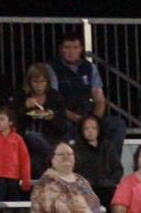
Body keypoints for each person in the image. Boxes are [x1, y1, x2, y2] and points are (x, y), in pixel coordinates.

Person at [47, 31, 126, 170]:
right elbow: (54, 101)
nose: (72, 51)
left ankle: (111, 166)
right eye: (67, 47)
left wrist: (94, 120)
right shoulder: (51, 68)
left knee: (117, 124)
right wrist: (75, 118)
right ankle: (68, 170)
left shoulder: (90, 68)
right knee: (63, 129)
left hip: (88, 117)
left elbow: (99, 99)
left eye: (76, 47)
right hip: (66, 117)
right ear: (60, 49)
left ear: (81, 49)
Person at [14, 62, 72, 175]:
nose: (39, 86)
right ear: (29, 82)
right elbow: (14, 121)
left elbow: (63, 124)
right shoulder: (22, 96)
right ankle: (54, 158)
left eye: (42, 82)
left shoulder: (54, 96)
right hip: (26, 142)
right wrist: (25, 107)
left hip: (50, 139)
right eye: (35, 82)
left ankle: (52, 158)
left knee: (37, 160)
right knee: (32, 138)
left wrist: (51, 117)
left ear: (47, 82)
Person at [71, 114, 122, 201]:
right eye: (86, 128)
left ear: (99, 130)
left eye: (94, 128)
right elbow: (73, 171)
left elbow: (117, 169)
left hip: (106, 188)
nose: (90, 131)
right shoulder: (75, 148)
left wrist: (109, 182)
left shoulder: (107, 146)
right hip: (84, 190)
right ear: (81, 130)